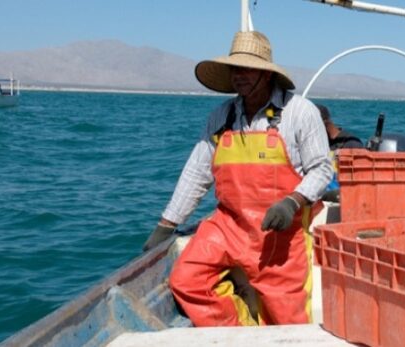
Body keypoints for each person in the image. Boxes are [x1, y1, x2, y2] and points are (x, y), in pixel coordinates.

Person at [142, 30, 333, 326]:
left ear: (266, 75)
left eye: (247, 69)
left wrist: (292, 202)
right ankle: (240, 330)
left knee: (287, 319)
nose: (239, 76)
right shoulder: (220, 116)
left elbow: (322, 168)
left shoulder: (300, 112)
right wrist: (167, 224)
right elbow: (197, 172)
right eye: (235, 69)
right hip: (228, 227)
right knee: (185, 279)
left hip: (280, 235)